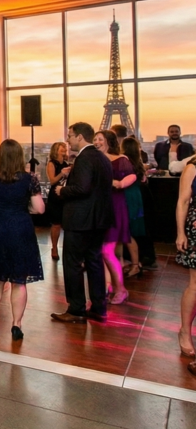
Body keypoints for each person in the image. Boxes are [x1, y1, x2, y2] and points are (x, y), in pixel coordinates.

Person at [0, 139, 45, 340]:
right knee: (19, 281)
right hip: (20, 229)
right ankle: (16, 324)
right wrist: (24, 209)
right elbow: (40, 208)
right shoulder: (29, 179)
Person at [52, 122, 114, 324]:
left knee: (73, 264)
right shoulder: (102, 158)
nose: (68, 140)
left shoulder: (84, 158)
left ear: (79, 137)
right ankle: (98, 307)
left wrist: (62, 191)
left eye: (70, 136)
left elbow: (82, 189)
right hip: (99, 220)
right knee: (94, 262)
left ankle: (76, 309)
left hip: (80, 220)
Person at [95, 130, 136, 304]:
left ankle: (121, 288)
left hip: (114, 207)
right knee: (101, 251)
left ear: (109, 142)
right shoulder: (95, 160)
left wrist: (117, 183)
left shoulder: (121, 160)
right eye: (94, 139)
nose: (96, 142)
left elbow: (132, 176)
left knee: (107, 250)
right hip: (98, 208)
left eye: (100, 139)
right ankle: (107, 286)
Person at [174, 156, 196, 376]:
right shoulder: (193, 167)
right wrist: (181, 232)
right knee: (195, 285)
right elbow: (183, 201)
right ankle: (185, 332)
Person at [121, 137, 148, 274]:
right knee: (127, 231)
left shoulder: (124, 161)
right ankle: (134, 262)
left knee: (126, 232)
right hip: (135, 196)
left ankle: (135, 264)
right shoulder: (138, 162)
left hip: (125, 196)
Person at [45, 142, 71, 261]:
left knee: (66, 223)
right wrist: (62, 173)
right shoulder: (52, 163)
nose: (64, 151)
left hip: (65, 195)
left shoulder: (66, 163)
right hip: (55, 196)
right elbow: (52, 181)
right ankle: (54, 248)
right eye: (62, 149)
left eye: (65, 149)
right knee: (56, 224)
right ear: (56, 150)